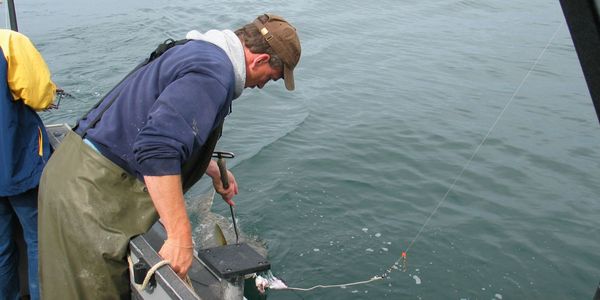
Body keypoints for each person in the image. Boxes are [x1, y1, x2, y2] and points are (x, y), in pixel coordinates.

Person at [38, 13, 301, 298]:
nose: (263, 85)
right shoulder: (214, 73)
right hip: (90, 200)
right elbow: (157, 148)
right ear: (259, 60)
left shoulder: (197, 52)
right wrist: (179, 236)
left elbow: (151, 125)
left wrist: (209, 168)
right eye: (271, 78)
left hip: (76, 173)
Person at [0, 29, 57, 300]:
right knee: (39, 242)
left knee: (0, 249)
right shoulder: (10, 42)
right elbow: (41, 97)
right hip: (17, 165)